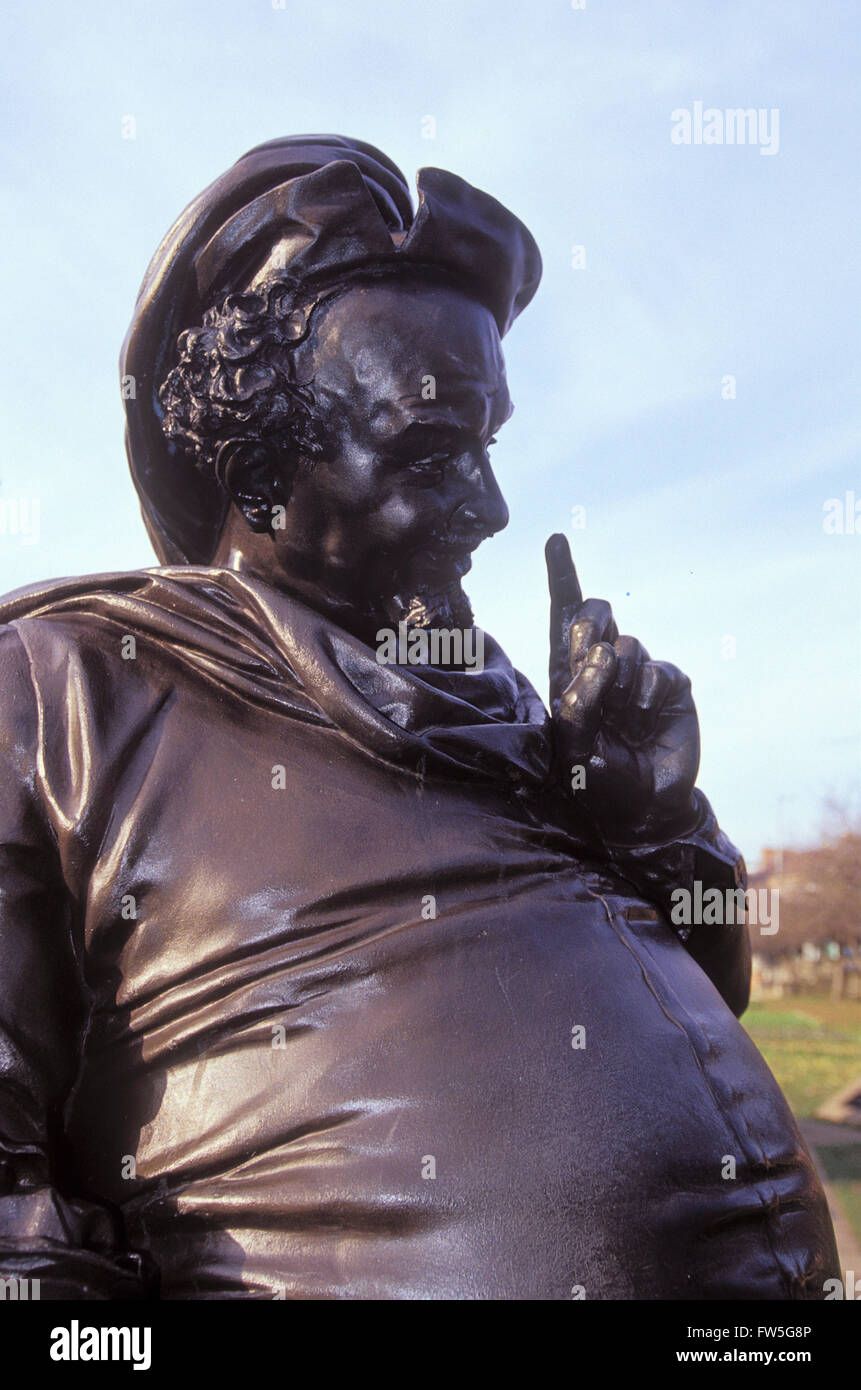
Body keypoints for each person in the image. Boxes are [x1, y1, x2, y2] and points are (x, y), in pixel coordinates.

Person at [0, 137, 838, 1299]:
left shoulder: (507, 705)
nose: (490, 507)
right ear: (255, 472)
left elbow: (712, 986)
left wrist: (648, 817)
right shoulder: (65, 690)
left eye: (488, 446)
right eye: (431, 452)